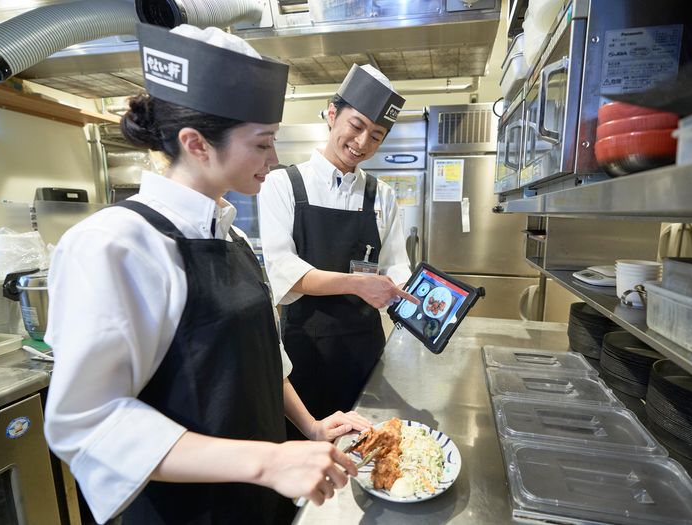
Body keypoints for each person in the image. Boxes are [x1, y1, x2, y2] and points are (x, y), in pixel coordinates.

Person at [44, 24, 370, 525]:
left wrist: (310, 427)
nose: (274, 159)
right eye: (262, 144)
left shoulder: (230, 235)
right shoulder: (116, 244)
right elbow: (87, 422)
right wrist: (266, 461)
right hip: (189, 511)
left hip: (256, 501)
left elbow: (261, 358)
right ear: (196, 143)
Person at [259, 64, 419, 438]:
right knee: (310, 451)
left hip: (364, 350)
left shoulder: (382, 195)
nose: (362, 143)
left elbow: (396, 266)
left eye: (376, 136)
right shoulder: (283, 184)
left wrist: (423, 309)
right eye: (356, 126)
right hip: (304, 353)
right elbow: (283, 270)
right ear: (332, 115)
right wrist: (356, 284)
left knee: (369, 445)